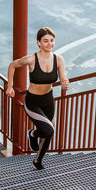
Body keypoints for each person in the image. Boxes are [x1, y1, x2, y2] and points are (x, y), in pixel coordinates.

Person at [6, 27, 69, 170]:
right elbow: (13, 65)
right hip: (33, 102)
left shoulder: (59, 59)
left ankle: (37, 161)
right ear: (38, 42)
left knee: (47, 134)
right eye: (45, 41)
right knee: (49, 130)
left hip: (48, 101)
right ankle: (33, 134)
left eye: (52, 41)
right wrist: (10, 86)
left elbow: (64, 81)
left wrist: (65, 84)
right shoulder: (31, 59)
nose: (49, 44)